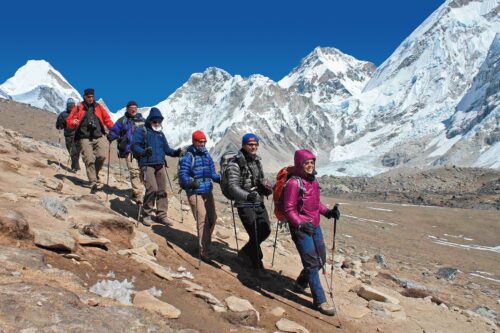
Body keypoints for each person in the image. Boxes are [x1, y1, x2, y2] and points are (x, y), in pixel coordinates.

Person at [283, 149, 340, 316]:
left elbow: (315, 204)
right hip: (301, 229)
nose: (309, 166)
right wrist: (300, 225)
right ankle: (320, 300)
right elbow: (289, 209)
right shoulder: (294, 183)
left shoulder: (313, 180)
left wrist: (328, 212)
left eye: (311, 163)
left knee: (321, 258)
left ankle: (301, 283)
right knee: (312, 264)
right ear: (300, 164)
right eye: (306, 163)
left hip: (315, 226)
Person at [225, 133, 273, 277]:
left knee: (265, 230)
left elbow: (260, 179)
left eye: (255, 144)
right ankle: (257, 267)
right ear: (244, 145)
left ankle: (244, 253)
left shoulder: (257, 161)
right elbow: (233, 186)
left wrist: (267, 187)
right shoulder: (235, 163)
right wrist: (247, 195)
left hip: (258, 201)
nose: (253, 147)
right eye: (250, 144)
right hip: (244, 203)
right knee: (256, 233)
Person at [132, 107, 181, 226]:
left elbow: (167, 149)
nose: (157, 123)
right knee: (152, 188)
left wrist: (176, 153)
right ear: (149, 120)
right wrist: (143, 152)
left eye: (159, 121)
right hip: (146, 163)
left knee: (162, 190)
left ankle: (162, 215)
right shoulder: (142, 131)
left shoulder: (160, 134)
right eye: (155, 121)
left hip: (160, 164)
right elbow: (135, 146)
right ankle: (147, 214)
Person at [179, 130, 220, 260]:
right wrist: (190, 183)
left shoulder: (207, 156)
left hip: (207, 190)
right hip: (194, 191)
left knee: (212, 218)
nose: (202, 144)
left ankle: (203, 243)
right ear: (194, 141)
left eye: (204, 142)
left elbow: (213, 174)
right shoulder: (188, 156)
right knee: (202, 218)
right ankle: (205, 251)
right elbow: (183, 175)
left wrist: (222, 178)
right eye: (200, 142)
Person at [66, 88, 114, 191]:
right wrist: (72, 122)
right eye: (89, 97)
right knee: (89, 159)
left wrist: (114, 130)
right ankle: (93, 181)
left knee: (102, 156)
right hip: (84, 137)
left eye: (92, 96)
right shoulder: (78, 107)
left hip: (99, 136)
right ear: (84, 97)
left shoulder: (98, 107)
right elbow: (69, 121)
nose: (91, 98)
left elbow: (107, 120)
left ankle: (94, 173)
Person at [107, 100, 145, 203]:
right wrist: (111, 136)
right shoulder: (122, 120)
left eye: (135, 108)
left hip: (142, 150)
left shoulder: (143, 121)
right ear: (127, 109)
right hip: (129, 150)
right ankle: (138, 194)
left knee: (142, 172)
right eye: (131, 108)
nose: (133, 109)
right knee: (134, 171)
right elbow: (115, 130)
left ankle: (136, 190)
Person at [56, 98, 81, 172]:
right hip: (69, 136)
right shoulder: (63, 115)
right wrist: (60, 123)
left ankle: (75, 166)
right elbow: (58, 126)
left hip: (78, 136)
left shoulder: (78, 113)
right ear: (67, 106)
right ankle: (75, 168)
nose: (71, 107)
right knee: (72, 152)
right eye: (69, 105)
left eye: (73, 105)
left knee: (77, 152)